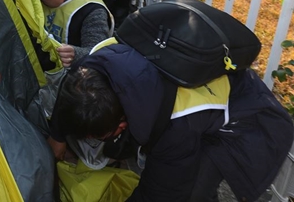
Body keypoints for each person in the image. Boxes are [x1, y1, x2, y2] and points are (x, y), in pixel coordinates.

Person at [49, 41, 294, 201]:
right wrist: (57, 136)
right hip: (200, 98)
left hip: (244, 120)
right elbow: (70, 99)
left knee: (193, 192)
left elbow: (158, 194)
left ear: (122, 124)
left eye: (97, 136)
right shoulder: (91, 69)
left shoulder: (175, 129)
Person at [27, 0, 112, 69]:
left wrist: (76, 54)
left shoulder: (92, 12)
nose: (39, 2)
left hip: (74, 72)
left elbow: (97, 52)